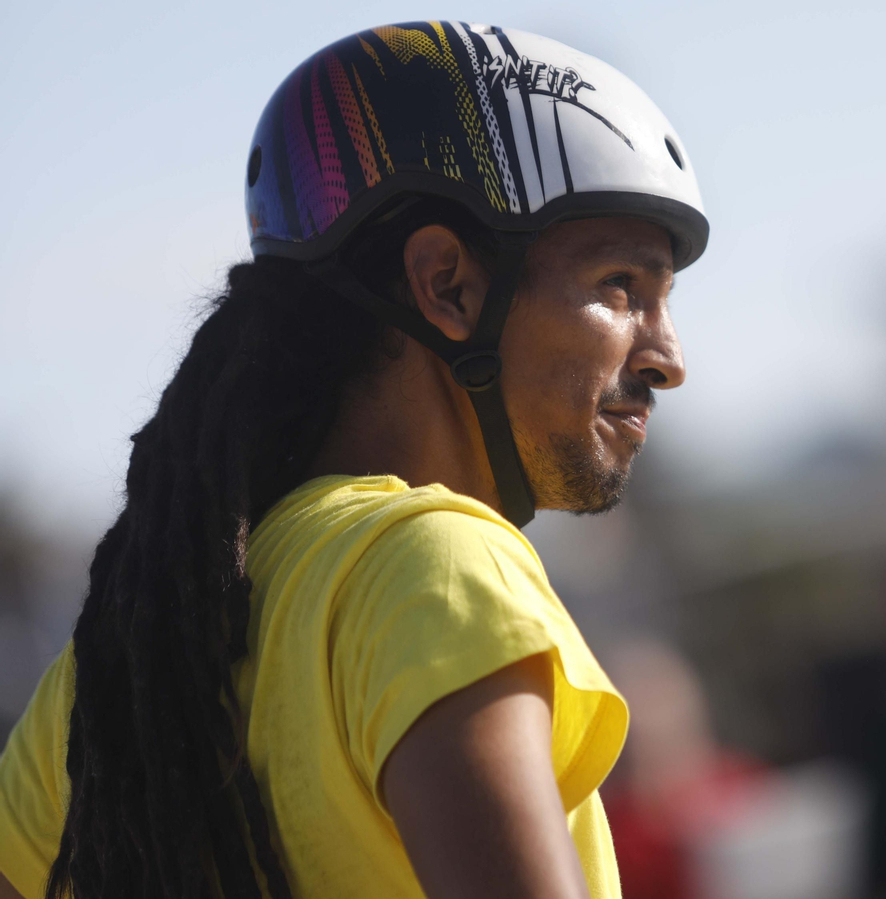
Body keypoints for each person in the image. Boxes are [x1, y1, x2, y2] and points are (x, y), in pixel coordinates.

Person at [0, 21, 707, 899]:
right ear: (447, 284)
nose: (667, 357)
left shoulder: (117, 659)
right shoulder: (438, 567)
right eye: (621, 287)